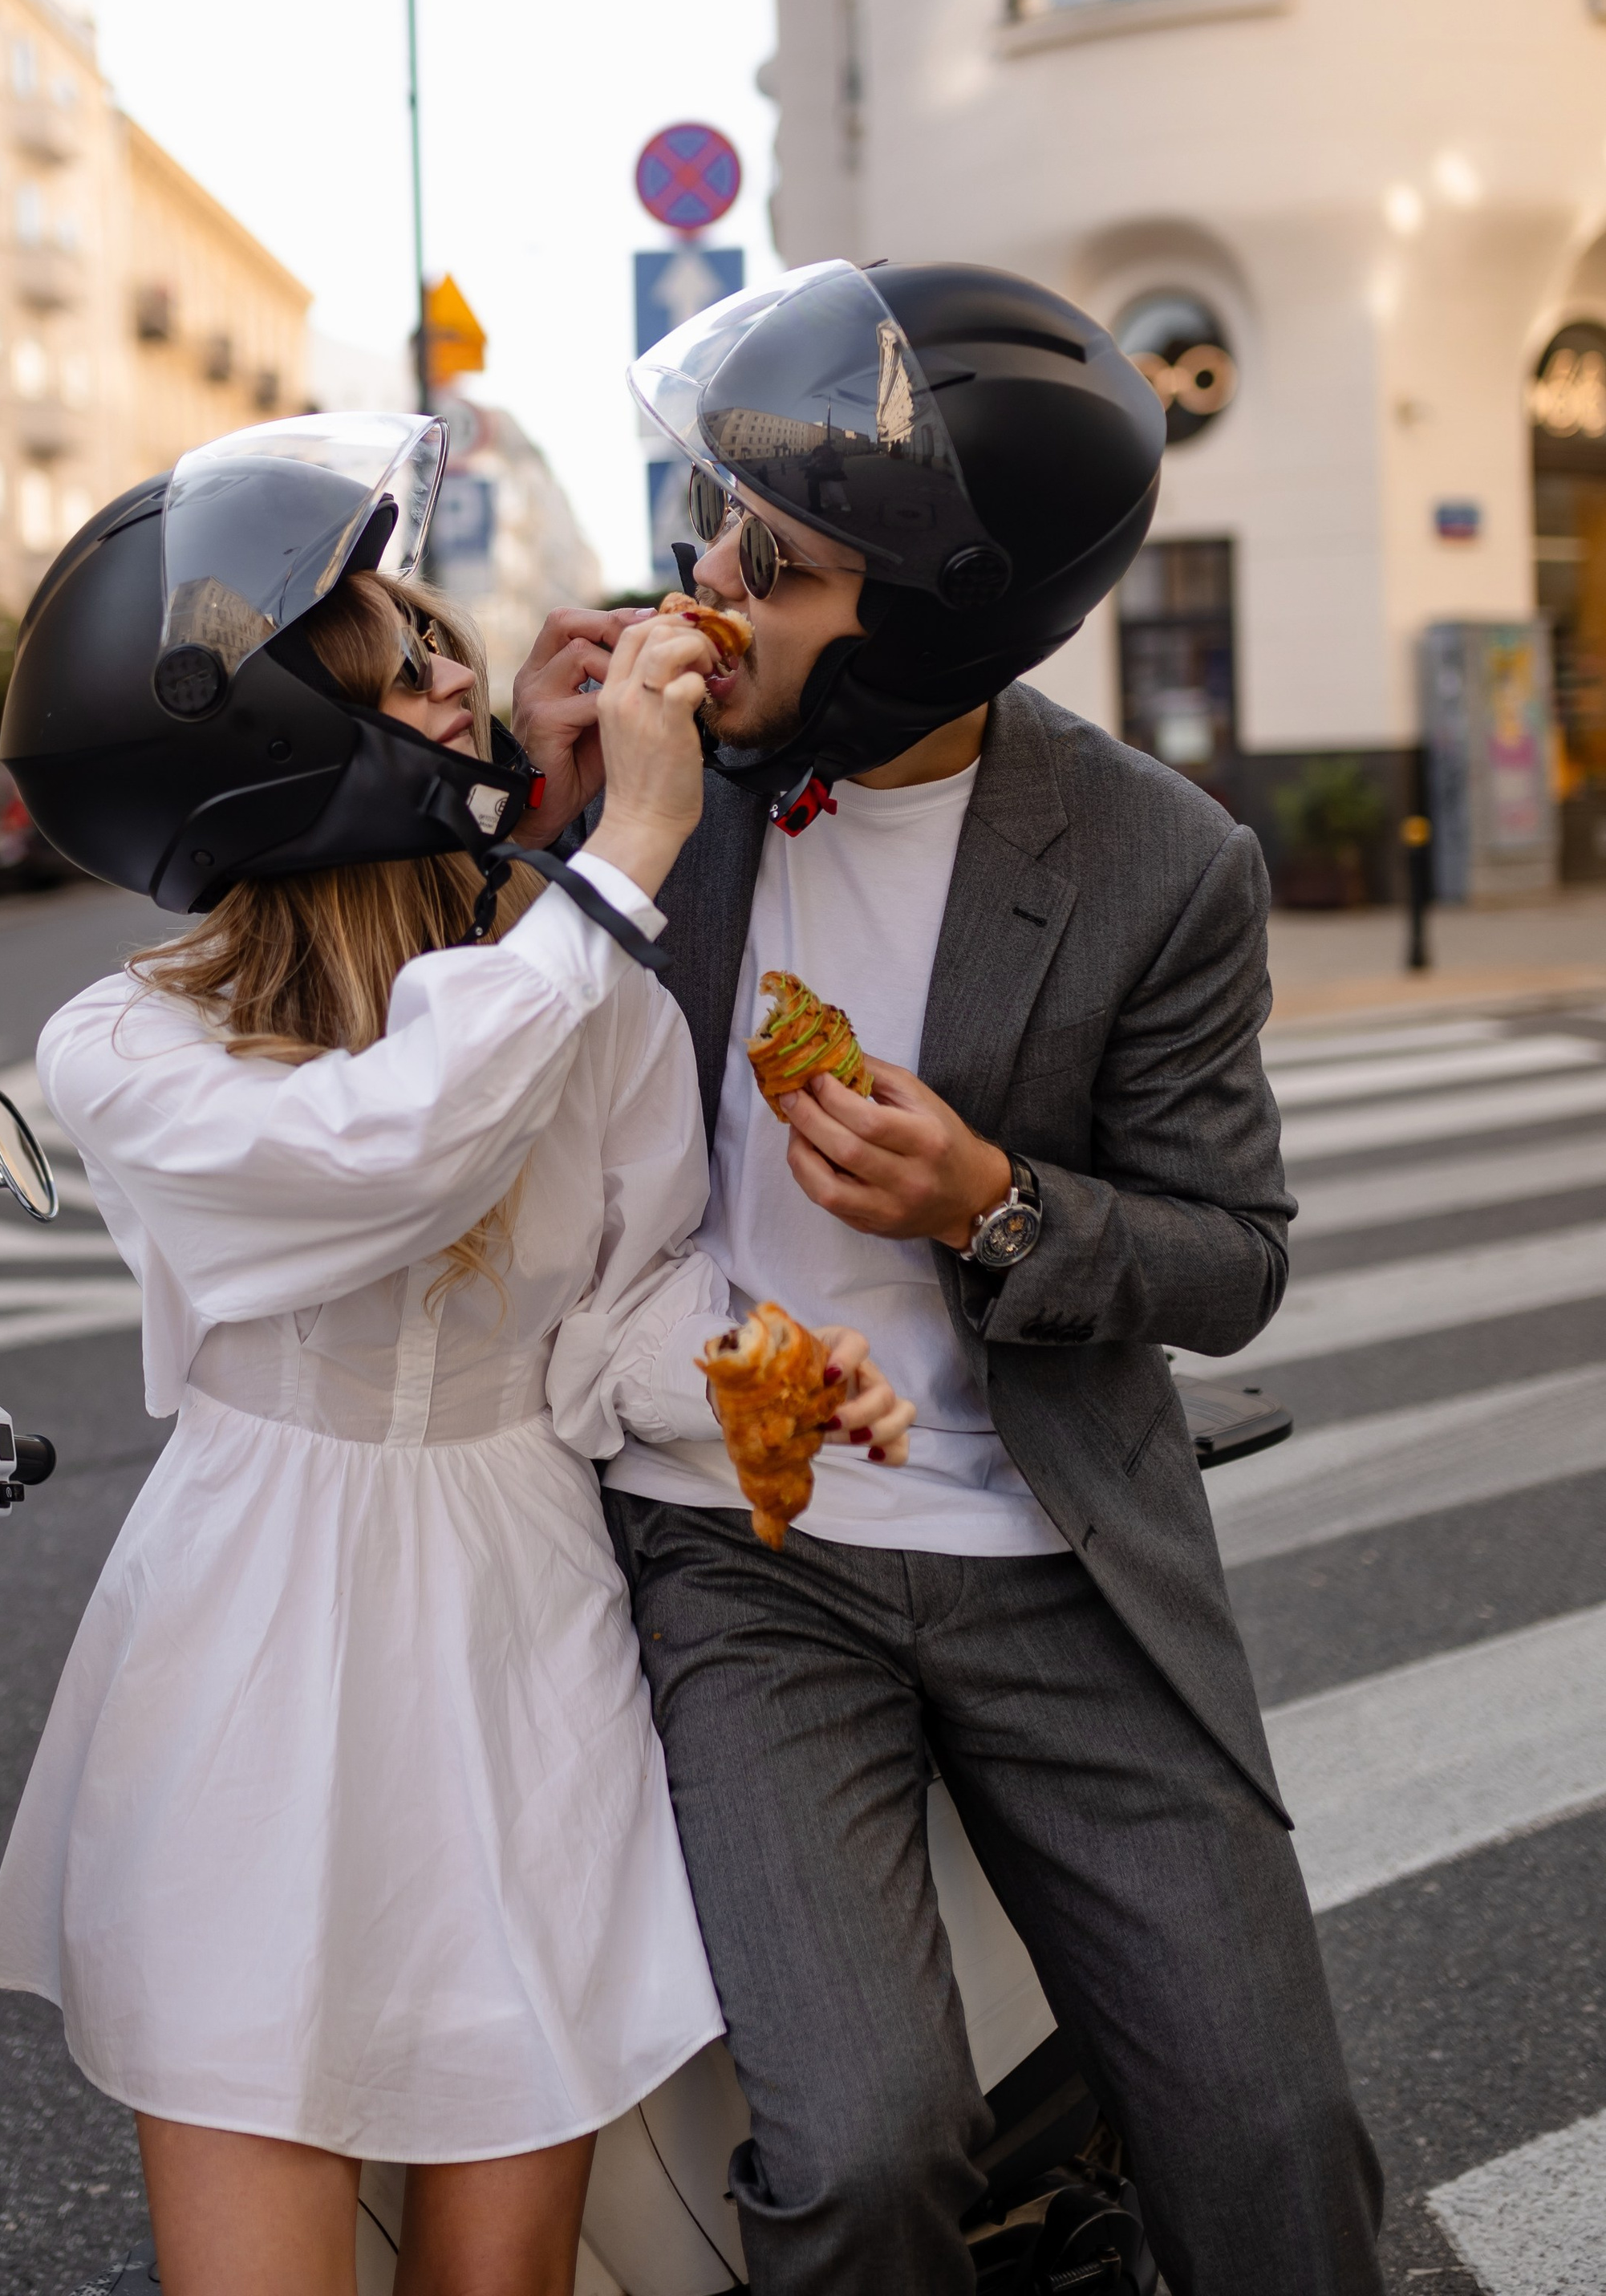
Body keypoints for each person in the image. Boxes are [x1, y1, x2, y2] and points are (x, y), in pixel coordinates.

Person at [0, 412, 914, 2296]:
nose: (469, 668)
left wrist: (764, 1371)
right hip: (252, 1646)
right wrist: (621, 846)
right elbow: (377, 1154)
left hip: (523, 1643)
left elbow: (625, 1310)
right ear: (272, 743)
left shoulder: (590, 1002)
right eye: (407, 655)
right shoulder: (128, 1043)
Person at [512, 262, 1385, 2296]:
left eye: (780, 569)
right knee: (860, 2156)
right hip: (733, 1542)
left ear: (918, 639)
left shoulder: (1158, 863)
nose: (708, 583)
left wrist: (989, 1197)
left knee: (1273, 2141)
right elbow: (463, 1075)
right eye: (723, 525)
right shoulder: (650, 799)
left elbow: (1234, 1259)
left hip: (1045, 1537)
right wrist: (529, 816)